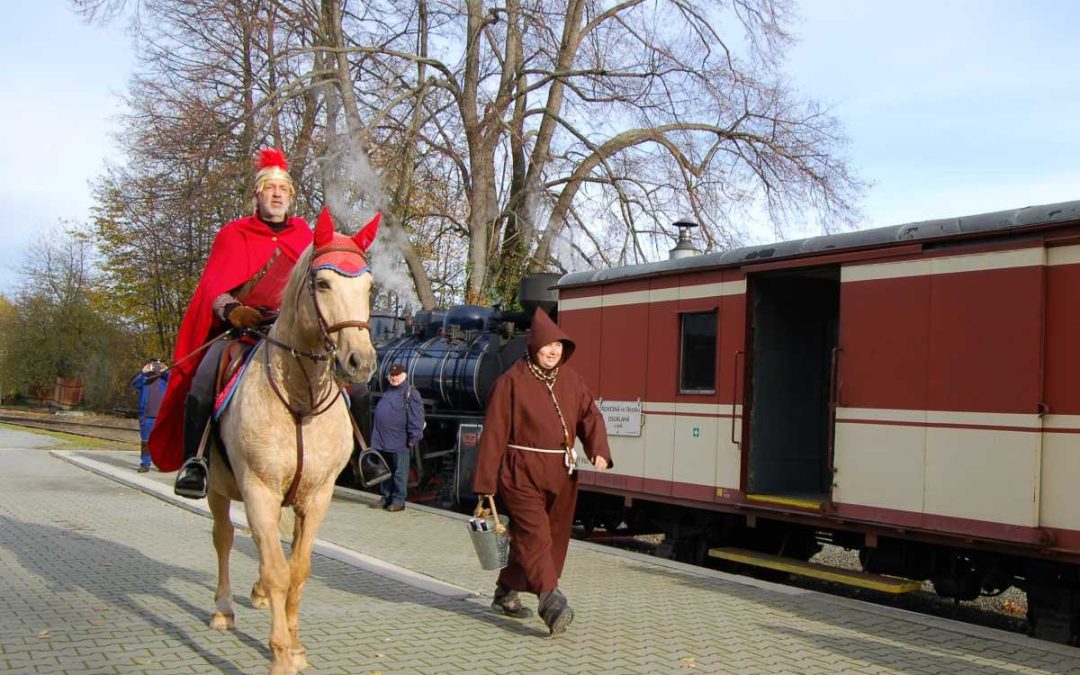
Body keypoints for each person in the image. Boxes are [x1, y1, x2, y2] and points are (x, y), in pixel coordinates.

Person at [149, 148, 313, 498]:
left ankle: (364, 454)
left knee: (346, 384)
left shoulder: (304, 238)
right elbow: (213, 286)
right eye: (270, 188)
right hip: (241, 331)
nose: (277, 194)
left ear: (291, 196)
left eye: (283, 189)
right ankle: (195, 463)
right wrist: (233, 310)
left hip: (290, 332)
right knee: (203, 382)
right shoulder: (234, 233)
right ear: (257, 194)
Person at [472, 308, 613, 636]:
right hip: (520, 472)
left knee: (549, 536)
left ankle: (506, 591)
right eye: (548, 345)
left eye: (559, 346)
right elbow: (493, 433)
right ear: (534, 345)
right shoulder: (510, 382)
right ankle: (551, 601)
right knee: (534, 535)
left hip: (561, 473)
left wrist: (599, 450)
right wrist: (486, 483)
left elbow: (589, 415)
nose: (553, 351)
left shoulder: (571, 380)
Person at [369, 363, 425, 511]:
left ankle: (399, 500)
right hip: (382, 440)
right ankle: (386, 497)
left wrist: (414, 438)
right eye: (392, 375)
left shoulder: (411, 393)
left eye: (397, 375)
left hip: (399, 440)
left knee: (399, 472)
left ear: (404, 376)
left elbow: (416, 418)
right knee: (386, 470)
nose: (394, 378)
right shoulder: (389, 391)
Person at [129, 359, 169, 472]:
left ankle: (161, 464)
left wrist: (165, 370)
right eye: (154, 363)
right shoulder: (145, 380)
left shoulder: (165, 379)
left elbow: (175, 380)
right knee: (146, 441)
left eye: (158, 363)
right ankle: (145, 464)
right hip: (146, 416)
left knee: (162, 441)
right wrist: (143, 371)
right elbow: (134, 384)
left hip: (162, 416)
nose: (155, 366)